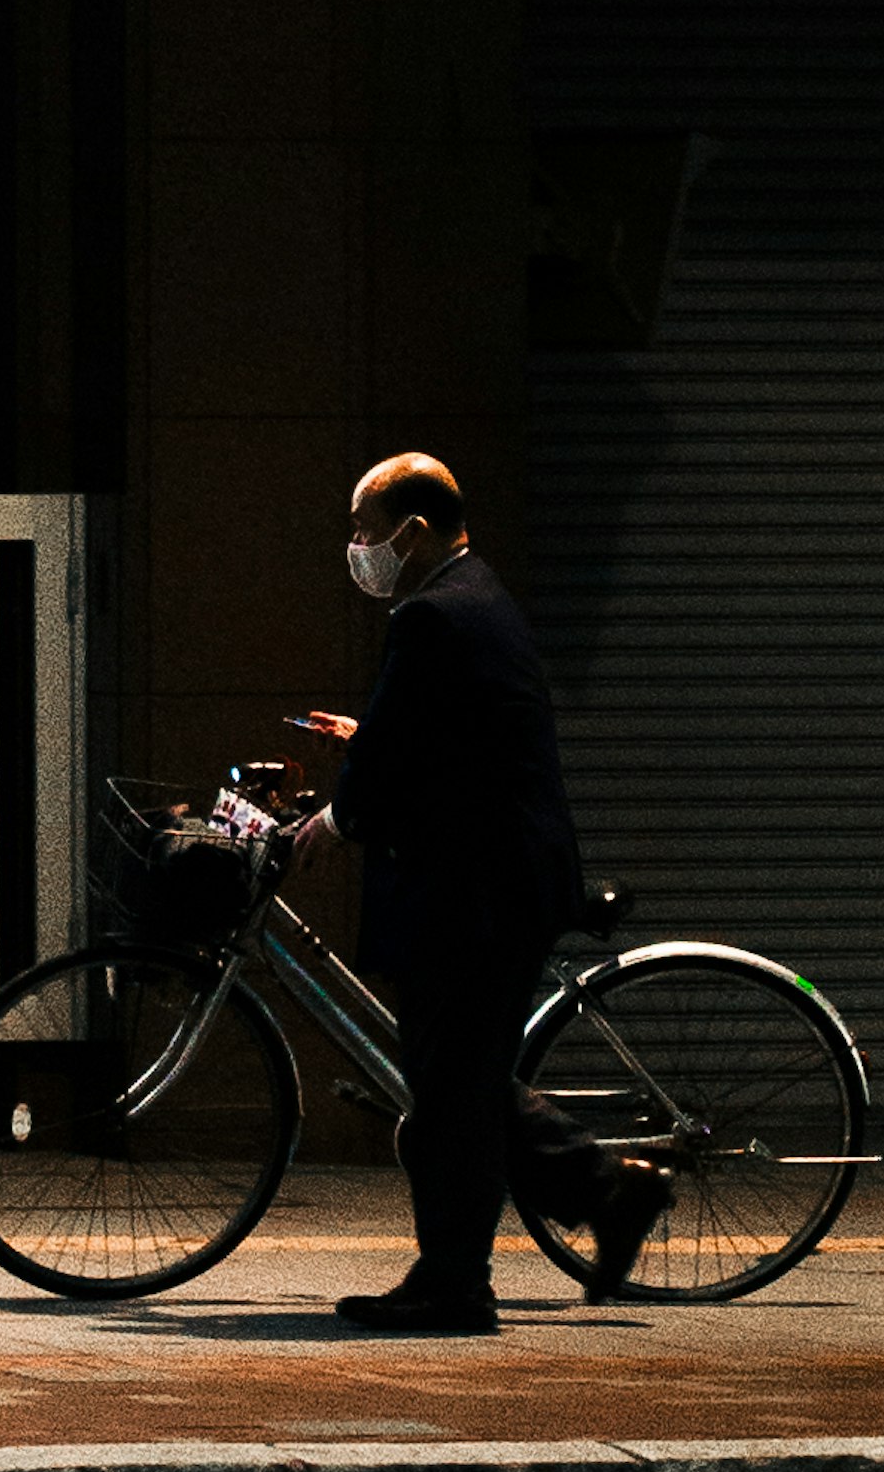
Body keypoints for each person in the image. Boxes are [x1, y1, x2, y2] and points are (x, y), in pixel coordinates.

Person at [282, 447, 665, 1333]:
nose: (358, 549)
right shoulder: (473, 593)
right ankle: (604, 1196)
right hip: (492, 881)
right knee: (459, 1082)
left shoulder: (435, 616)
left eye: (365, 533)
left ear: (412, 532)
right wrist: (368, 735)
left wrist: (329, 826)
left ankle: (460, 1283)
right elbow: (438, 735)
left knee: (451, 1093)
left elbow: (399, 769)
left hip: (478, 893)